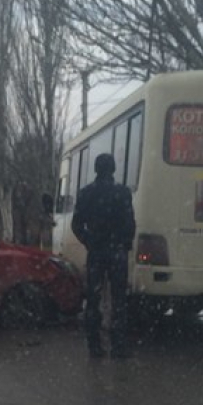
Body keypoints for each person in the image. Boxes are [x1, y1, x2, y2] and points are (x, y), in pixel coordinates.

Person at [71, 152, 136, 358]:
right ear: (113, 169)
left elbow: (76, 224)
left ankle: (94, 346)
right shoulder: (123, 193)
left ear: (96, 169)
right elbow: (130, 223)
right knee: (119, 300)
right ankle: (118, 346)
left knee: (93, 298)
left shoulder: (86, 193)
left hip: (96, 251)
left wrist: (89, 241)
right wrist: (124, 244)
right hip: (117, 252)